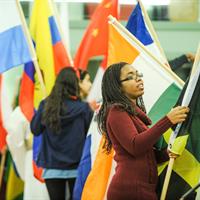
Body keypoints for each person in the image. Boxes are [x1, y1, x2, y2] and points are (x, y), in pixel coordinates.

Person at [97, 62, 189, 200]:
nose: (138, 79)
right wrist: (168, 120)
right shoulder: (116, 111)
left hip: (142, 189)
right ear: (118, 87)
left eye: (138, 75)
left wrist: (165, 154)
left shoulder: (131, 114)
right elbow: (135, 146)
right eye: (130, 77)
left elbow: (146, 154)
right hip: (131, 191)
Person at [30, 67, 93, 200]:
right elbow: (90, 135)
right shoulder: (84, 109)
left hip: (52, 168)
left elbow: (35, 130)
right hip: (76, 167)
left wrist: (43, 107)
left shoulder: (46, 105)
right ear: (75, 84)